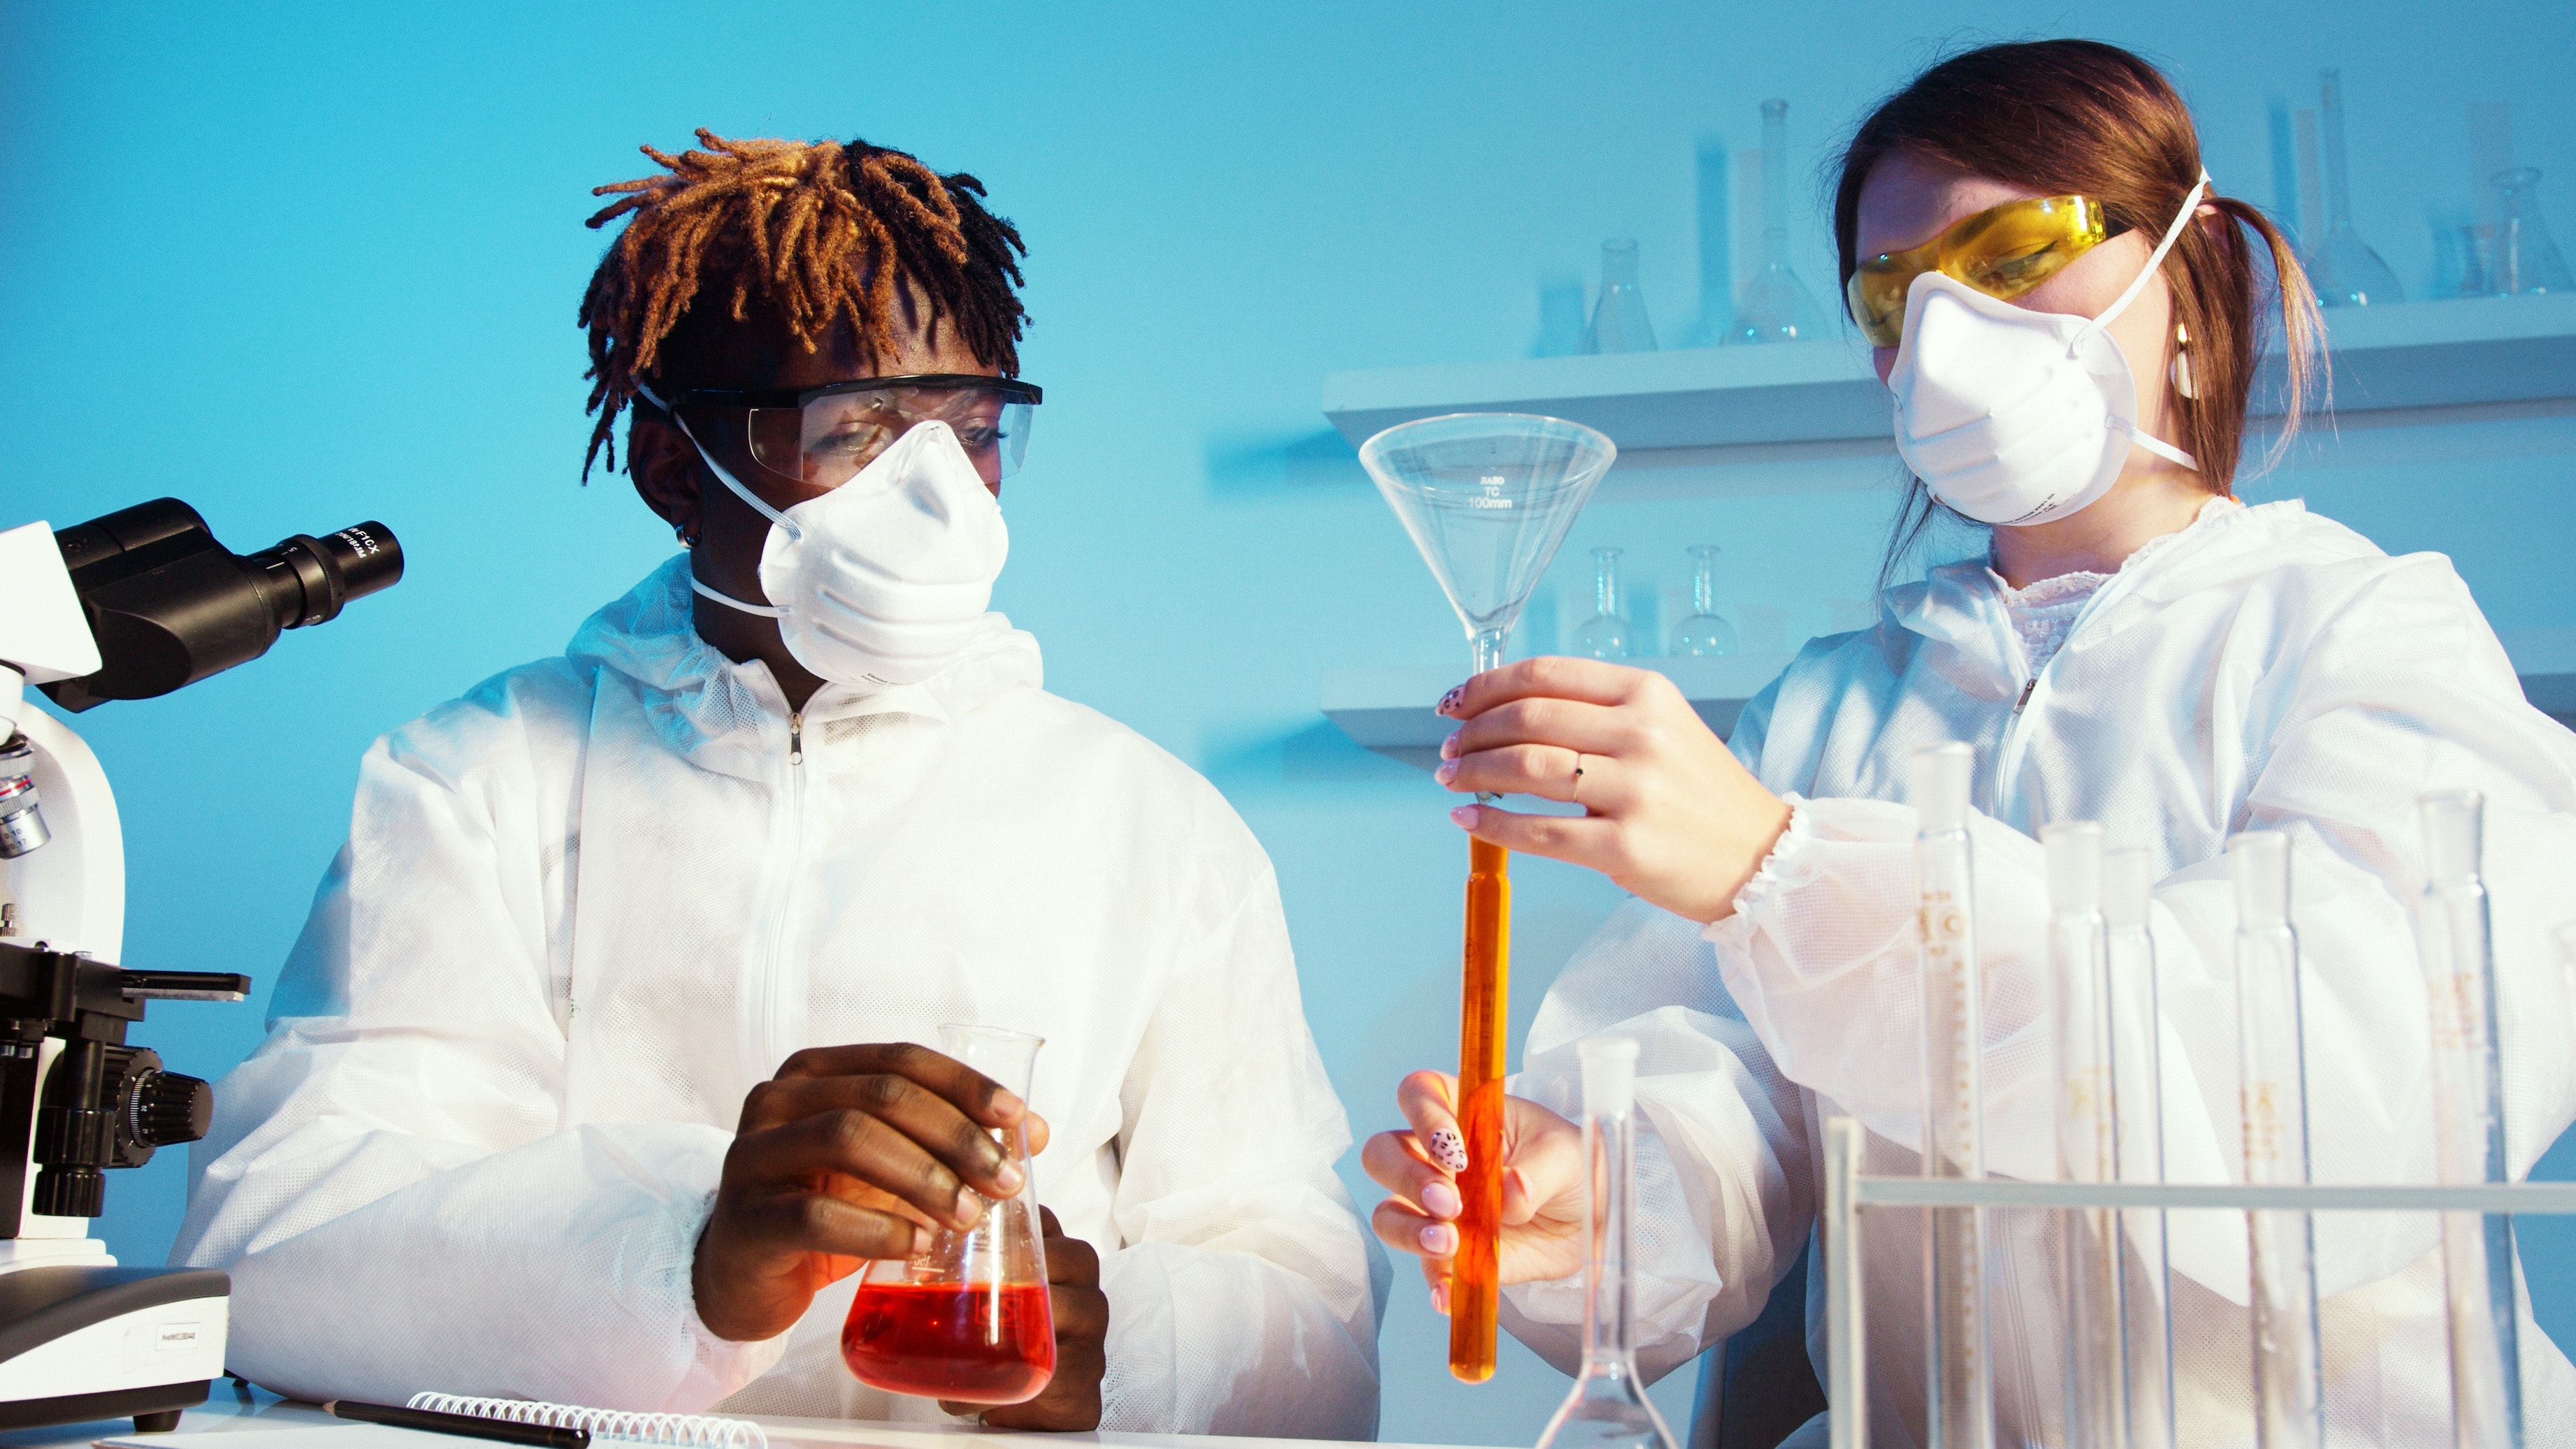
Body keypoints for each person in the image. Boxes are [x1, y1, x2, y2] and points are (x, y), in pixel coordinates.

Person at [1363, 40, 2576, 1448]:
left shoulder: (2366, 635)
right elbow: (1731, 1099)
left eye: (2005, 257)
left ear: (2190, 284)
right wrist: (1589, 1189)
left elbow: (2326, 1102)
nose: (1939, 336)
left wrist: (1783, 866)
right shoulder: (1831, 709)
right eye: (1892, 298)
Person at [176, 131, 1381, 1438]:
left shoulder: (1147, 822)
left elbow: (1317, 1333)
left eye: (971, 432)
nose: (937, 498)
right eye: (851, 427)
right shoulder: (477, 781)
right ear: (672, 467)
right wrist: (692, 1254)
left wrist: (1139, 1352)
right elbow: (283, 1252)